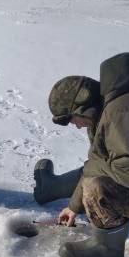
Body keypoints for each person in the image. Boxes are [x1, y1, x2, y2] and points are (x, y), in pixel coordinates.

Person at [57, 52, 129, 257]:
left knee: (96, 187)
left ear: (81, 109)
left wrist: (97, 169)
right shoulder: (126, 102)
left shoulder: (119, 112)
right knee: (95, 177)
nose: (76, 125)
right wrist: (73, 207)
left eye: (72, 119)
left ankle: (107, 250)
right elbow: (97, 161)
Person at [34, 75, 102, 205]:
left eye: (74, 119)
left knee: (101, 177)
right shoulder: (107, 112)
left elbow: (106, 172)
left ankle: (49, 188)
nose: (78, 126)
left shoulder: (116, 118)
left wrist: (75, 206)